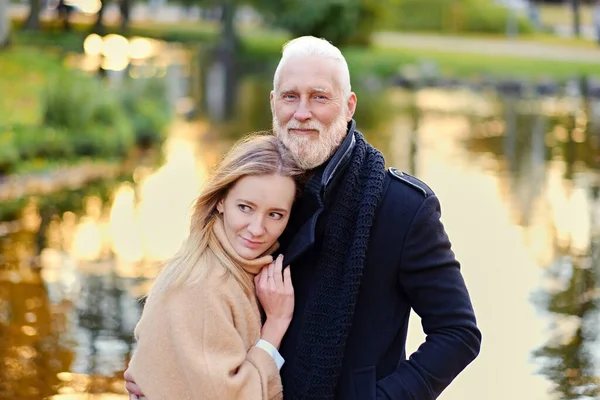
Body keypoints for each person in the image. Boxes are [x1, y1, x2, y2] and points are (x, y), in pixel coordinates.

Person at [126, 36, 482, 399]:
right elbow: (194, 303)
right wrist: (162, 375)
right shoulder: (247, 190)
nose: (302, 112)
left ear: (348, 105)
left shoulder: (401, 209)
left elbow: (458, 333)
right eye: (290, 96)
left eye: (320, 97)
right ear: (273, 102)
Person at [125, 134, 304, 399]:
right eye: (245, 207)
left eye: (275, 214)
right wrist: (275, 326)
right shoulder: (203, 284)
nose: (257, 229)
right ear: (221, 200)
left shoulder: (240, 266)